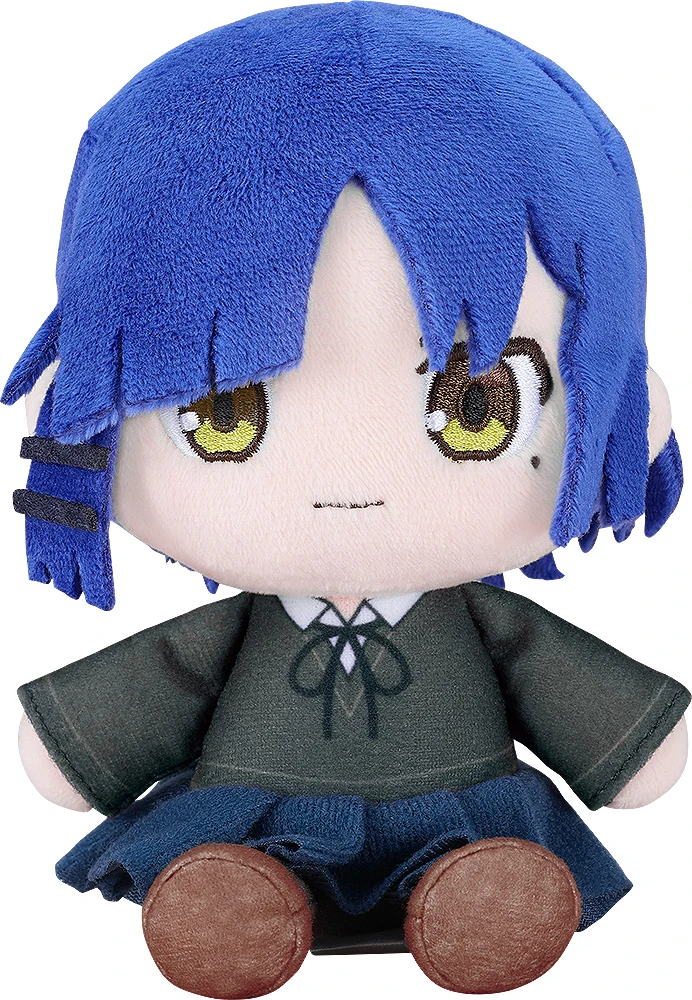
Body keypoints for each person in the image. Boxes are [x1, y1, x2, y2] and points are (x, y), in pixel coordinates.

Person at [4, 4, 688, 997]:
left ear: (625, 405)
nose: (346, 485)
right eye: (222, 412)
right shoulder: (239, 631)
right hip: (254, 822)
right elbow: (165, 679)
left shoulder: (480, 622)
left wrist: (629, 743)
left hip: (457, 820)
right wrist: (84, 745)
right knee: (228, 887)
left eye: (476, 409)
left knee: (486, 885)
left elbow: (558, 682)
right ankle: (236, 909)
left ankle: (473, 905)